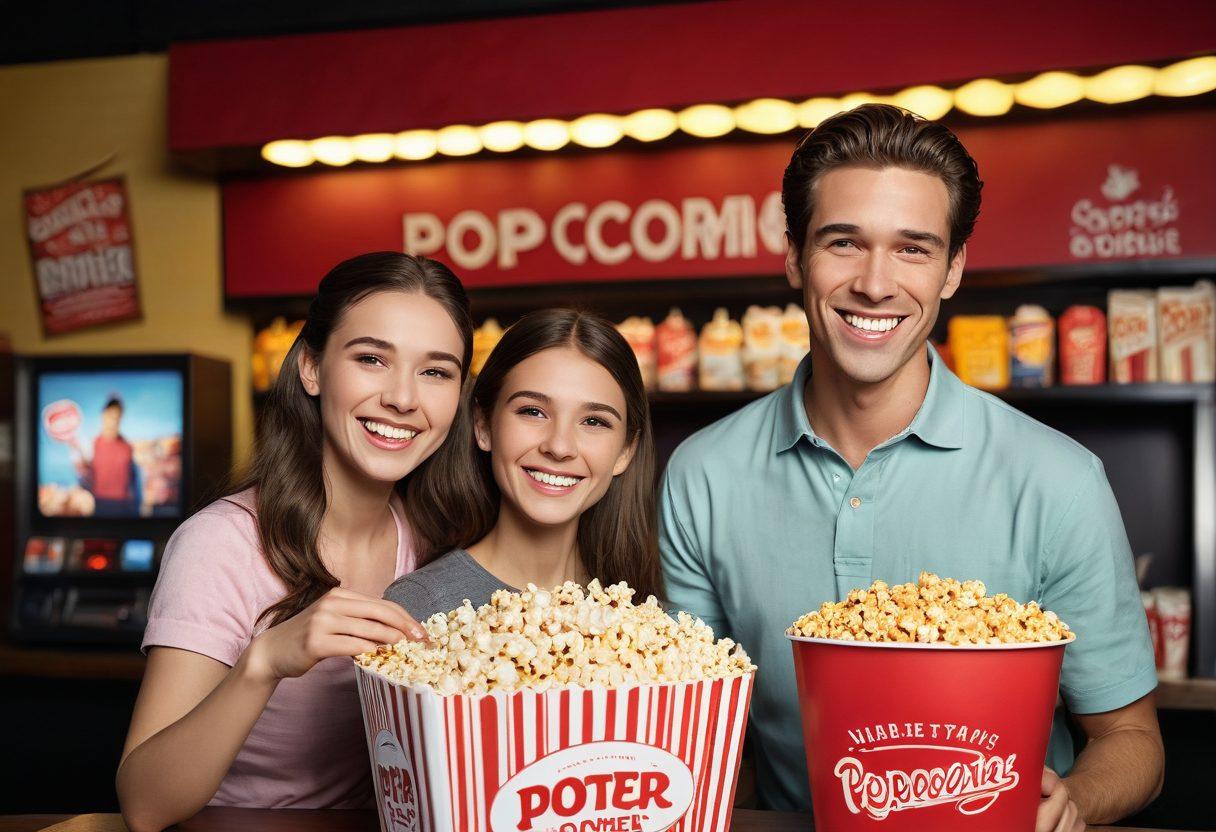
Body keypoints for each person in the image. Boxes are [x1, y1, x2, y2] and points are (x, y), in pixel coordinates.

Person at [659, 105, 1163, 829]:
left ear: (953, 269)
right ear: (796, 256)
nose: (874, 282)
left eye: (913, 249)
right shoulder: (701, 476)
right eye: (843, 242)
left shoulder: (1059, 480)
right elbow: (703, 738)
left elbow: (1133, 739)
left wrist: (1075, 799)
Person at [117, 252, 474, 832]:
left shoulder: (441, 543)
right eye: (371, 359)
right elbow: (144, 803)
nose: (403, 398)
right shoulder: (220, 545)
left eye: (436, 371)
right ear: (311, 367)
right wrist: (266, 662)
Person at [384, 308, 663, 622]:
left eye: (594, 421)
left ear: (626, 451)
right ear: (484, 425)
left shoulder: (647, 621)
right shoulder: (419, 607)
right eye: (533, 411)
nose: (559, 447)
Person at [72, 395, 139, 516]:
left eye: (117, 418)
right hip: (99, 506)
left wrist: (136, 510)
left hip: (123, 508)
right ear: (103, 415)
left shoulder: (127, 447)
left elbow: (134, 483)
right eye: (111, 416)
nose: (114, 422)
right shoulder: (92, 445)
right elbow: (83, 479)